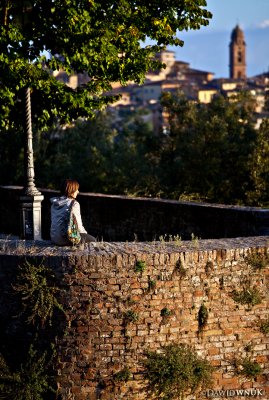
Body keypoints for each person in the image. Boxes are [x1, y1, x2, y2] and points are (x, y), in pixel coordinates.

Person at [50, 179, 96, 245]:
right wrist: (85, 235)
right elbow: (79, 226)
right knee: (93, 240)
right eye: (76, 189)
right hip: (66, 238)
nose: (78, 191)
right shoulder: (74, 204)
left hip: (54, 238)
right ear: (71, 190)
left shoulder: (54, 203)